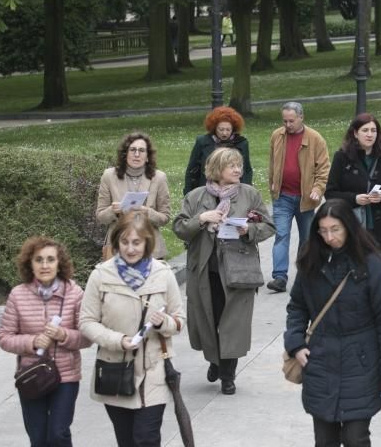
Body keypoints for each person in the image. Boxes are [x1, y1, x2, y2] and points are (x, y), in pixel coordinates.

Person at [284, 200, 381, 447]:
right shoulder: (310, 261)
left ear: (348, 226)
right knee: (324, 440)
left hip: (361, 362)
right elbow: (297, 306)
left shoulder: (370, 264)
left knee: (355, 438)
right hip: (320, 360)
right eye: (323, 230)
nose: (329, 236)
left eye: (335, 229)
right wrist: (295, 343)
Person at [173, 147, 275, 395]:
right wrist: (202, 218)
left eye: (239, 165)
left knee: (234, 325)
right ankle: (214, 361)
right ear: (218, 169)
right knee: (210, 320)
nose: (238, 170)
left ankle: (228, 376)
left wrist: (248, 231)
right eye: (232, 166)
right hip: (206, 269)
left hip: (240, 269)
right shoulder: (196, 196)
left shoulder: (249, 194)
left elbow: (269, 226)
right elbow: (179, 227)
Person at [80, 212, 185, 447]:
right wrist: (119, 340)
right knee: (126, 440)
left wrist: (163, 323)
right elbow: (86, 321)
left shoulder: (163, 274)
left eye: (136, 242)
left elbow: (179, 320)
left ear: (147, 242)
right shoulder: (100, 275)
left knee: (147, 438)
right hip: (116, 370)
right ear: (116, 242)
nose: (130, 249)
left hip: (154, 369)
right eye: (124, 242)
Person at [0, 237, 91, 447]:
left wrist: (63, 336)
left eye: (50, 259)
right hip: (32, 374)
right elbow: (4, 337)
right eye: (38, 260)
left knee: (58, 434)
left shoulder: (75, 293)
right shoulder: (18, 295)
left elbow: (87, 337)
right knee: (38, 439)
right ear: (30, 264)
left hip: (66, 376)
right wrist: (32, 342)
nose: (45, 265)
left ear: (60, 263)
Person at [267, 102, 331, 292]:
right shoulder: (277, 136)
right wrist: (273, 182)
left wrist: (318, 189)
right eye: (284, 121)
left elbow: (324, 168)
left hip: (306, 199)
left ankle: (306, 275)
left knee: (306, 239)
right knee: (281, 235)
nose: (287, 125)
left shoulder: (315, 139)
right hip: (282, 197)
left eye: (291, 121)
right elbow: (272, 162)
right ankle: (279, 277)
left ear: (301, 117)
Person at [325, 113, 381, 252]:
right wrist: (355, 199)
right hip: (351, 224)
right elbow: (330, 193)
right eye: (365, 130)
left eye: (373, 131)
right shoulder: (342, 157)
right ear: (355, 133)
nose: (370, 135)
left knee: (374, 267)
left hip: (379, 226)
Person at [96, 132, 171, 260]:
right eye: (132, 150)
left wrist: (148, 212)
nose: (137, 154)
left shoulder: (159, 178)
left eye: (141, 150)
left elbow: (165, 217)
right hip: (117, 247)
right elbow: (100, 216)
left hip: (150, 247)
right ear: (125, 154)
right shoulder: (109, 176)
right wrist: (113, 211)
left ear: (148, 156)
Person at [184, 106, 253, 194]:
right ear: (214, 128)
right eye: (221, 129)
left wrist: (247, 192)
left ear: (233, 129)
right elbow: (191, 170)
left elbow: (247, 169)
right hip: (207, 189)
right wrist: (188, 193)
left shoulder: (241, 143)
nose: (224, 133)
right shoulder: (202, 142)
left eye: (228, 130)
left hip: (234, 191)